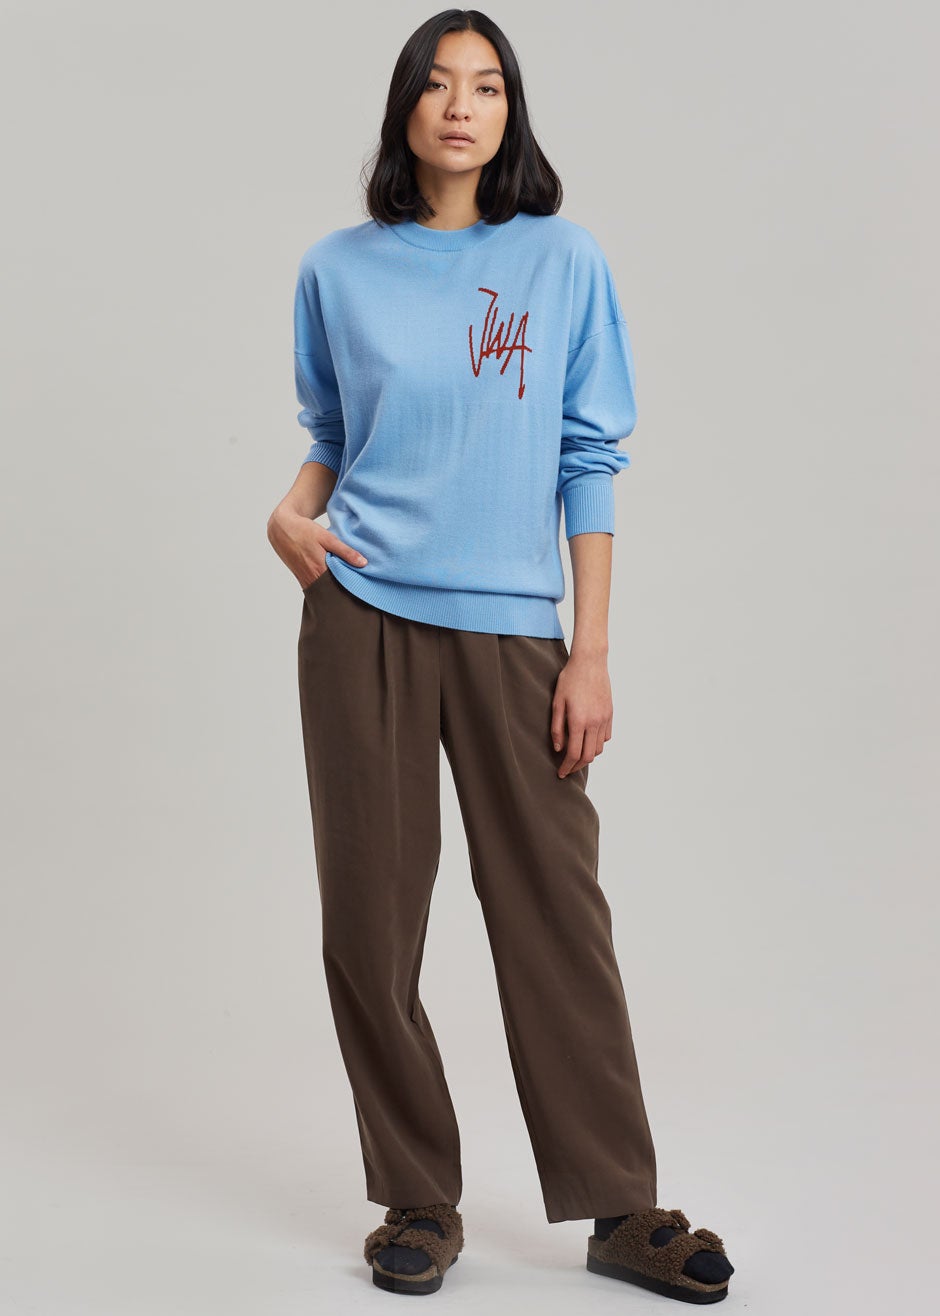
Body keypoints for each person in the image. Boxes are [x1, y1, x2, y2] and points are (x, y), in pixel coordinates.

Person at [267, 8, 735, 1303]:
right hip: (360, 611)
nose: (461, 106)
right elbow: (332, 436)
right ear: (405, 107)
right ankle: (418, 1197)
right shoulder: (337, 269)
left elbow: (589, 455)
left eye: (485, 86)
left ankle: (622, 1206)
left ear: (510, 112)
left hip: (514, 624)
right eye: (438, 83)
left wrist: (591, 652)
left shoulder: (560, 259)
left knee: (553, 913)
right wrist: (287, 514)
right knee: (369, 921)